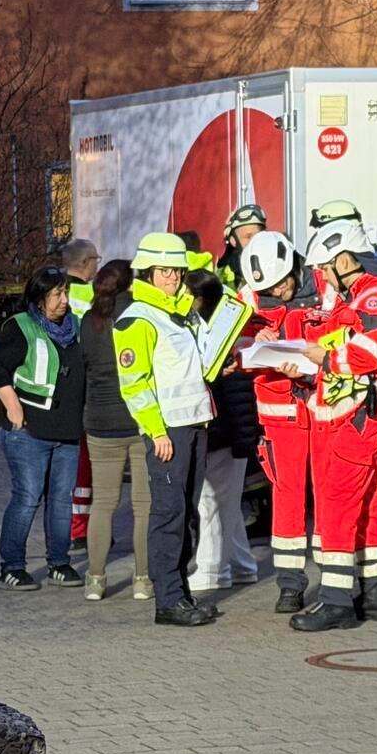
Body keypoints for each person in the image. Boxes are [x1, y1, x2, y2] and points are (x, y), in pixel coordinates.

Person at [115, 232, 250, 626]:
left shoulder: (182, 313)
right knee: (169, 515)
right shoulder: (137, 320)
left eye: (176, 270)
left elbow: (193, 367)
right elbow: (135, 385)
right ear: (148, 272)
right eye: (164, 271)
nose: (172, 277)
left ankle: (182, 595)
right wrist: (155, 432)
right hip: (168, 432)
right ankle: (168, 601)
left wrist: (218, 367)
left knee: (187, 513)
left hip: (195, 424)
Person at [292, 220, 377, 632]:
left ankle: (336, 599)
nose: (321, 276)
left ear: (344, 260)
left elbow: (366, 356)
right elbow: (338, 336)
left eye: (324, 268)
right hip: (362, 412)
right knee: (368, 503)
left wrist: (321, 357)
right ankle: (376, 594)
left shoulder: (376, 300)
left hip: (362, 413)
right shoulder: (360, 300)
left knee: (338, 502)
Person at [0, 267, 86, 590]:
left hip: (67, 430)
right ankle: (12, 566)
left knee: (61, 499)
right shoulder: (21, 327)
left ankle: (59, 561)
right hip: (28, 431)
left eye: (66, 293)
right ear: (39, 299)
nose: (63, 300)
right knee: (28, 497)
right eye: (56, 294)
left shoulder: (77, 327)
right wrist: (13, 407)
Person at [242, 231, 325, 613]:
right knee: (287, 499)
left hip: (325, 409)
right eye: (271, 288)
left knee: (328, 498)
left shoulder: (326, 287)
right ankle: (290, 584)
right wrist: (255, 338)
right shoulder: (250, 298)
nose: (279, 291)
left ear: (294, 266)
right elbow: (232, 348)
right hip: (281, 417)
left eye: (282, 283)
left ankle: (335, 576)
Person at [184, 266, 262, 593]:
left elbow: (229, 393)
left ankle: (212, 571)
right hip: (235, 433)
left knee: (211, 503)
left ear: (199, 299)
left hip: (224, 433)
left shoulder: (214, 336)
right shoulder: (229, 328)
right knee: (227, 503)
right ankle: (243, 565)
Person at [78, 260, 152, 601]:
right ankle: (142, 579)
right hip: (139, 420)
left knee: (103, 504)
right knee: (143, 505)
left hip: (99, 421)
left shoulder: (87, 323)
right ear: (130, 285)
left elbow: (84, 369)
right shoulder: (141, 316)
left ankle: (95, 579)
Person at [57, 238, 103, 548]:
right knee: (87, 464)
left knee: (65, 463)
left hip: (60, 387)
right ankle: (81, 529)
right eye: (96, 259)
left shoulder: (53, 293)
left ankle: (65, 526)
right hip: (89, 387)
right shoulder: (93, 296)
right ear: (86, 262)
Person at [218, 202, 268, 287]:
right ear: (233, 241)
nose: (254, 241)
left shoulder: (276, 264)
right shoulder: (226, 276)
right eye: (248, 237)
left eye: (258, 235)